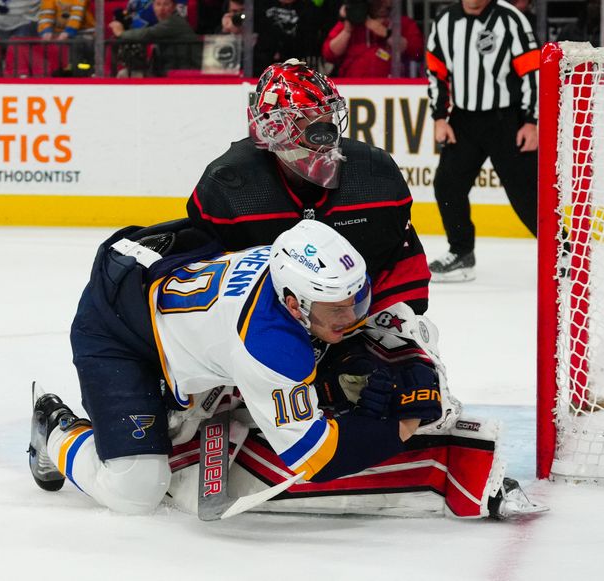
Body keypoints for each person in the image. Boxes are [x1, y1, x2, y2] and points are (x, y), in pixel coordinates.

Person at [29, 219, 544, 519]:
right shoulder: (270, 347)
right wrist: (401, 426)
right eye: (338, 311)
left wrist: (402, 356)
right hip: (119, 335)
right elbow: (316, 458)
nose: (354, 316)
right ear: (296, 304)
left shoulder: (303, 288)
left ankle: (182, 406)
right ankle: (55, 429)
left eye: (356, 299)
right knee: (135, 490)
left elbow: (370, 317)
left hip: (174, 307)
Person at [187, 59, 431, 324]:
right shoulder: (228, 186)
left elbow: (402, 266)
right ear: (272, 126)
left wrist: (385, 325)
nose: (326, 133)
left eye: (329, 115)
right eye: (309, 119)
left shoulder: (376, 175)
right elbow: (209, 284)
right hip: (267, 328)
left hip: (358, 326)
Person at [425, 0, 539, 282]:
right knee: (447, 184)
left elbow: (532, 71)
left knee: (527, 194)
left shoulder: (510, 19)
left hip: (507, 120)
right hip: (464, 120)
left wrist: (531, 121)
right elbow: (435, 71)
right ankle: (461, 252)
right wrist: (440, 117)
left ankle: (561, 253)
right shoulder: (445, 21)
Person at [321, 0, 423, 78]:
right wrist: (348, 30)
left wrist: (386, 33)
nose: (384, 4)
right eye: (378, 1)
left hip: (393, 87)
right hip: (353, 86)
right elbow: (329, 54)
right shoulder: (352, 23)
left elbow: (417, 51)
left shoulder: (403, 23)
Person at [109, 0, 199, 75]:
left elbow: (147, 34)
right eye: (158, 4)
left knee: (126, 74)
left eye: (166, 4)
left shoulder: (173, 22)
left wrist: (121, 33)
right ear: (153, 7)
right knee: (125, 73)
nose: (161, 9)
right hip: (172, 69)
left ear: (173, 7)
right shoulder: (166, 22)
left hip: (185, 71)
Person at [253, 0, 322, 75]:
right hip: (261, 64)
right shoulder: (259, 4)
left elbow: (311, 42)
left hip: (297, 64)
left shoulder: (309, 8)